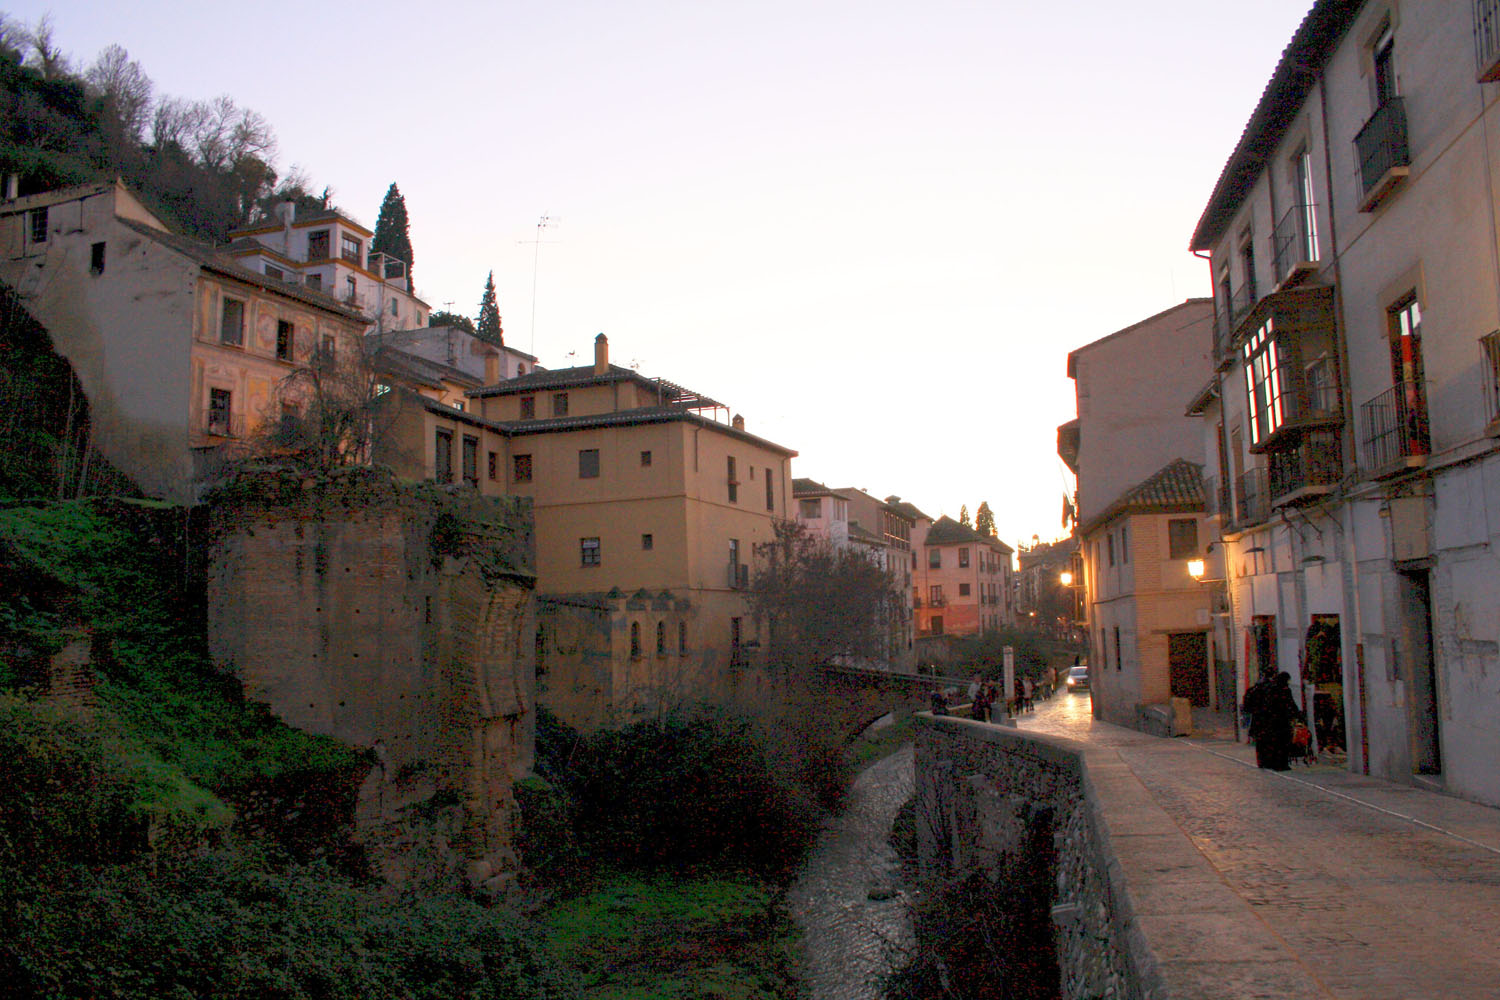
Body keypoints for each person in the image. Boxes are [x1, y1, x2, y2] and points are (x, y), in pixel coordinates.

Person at [1250, 672, 1301, 771]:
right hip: (1280, 722)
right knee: (1281, 743)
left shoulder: (1265, 688)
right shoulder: (1283, 689)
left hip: (1263, 721)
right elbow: (1290, 704)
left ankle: (1265, 762)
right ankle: (1280, 764)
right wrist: (1297, 715)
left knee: (1266, 743)